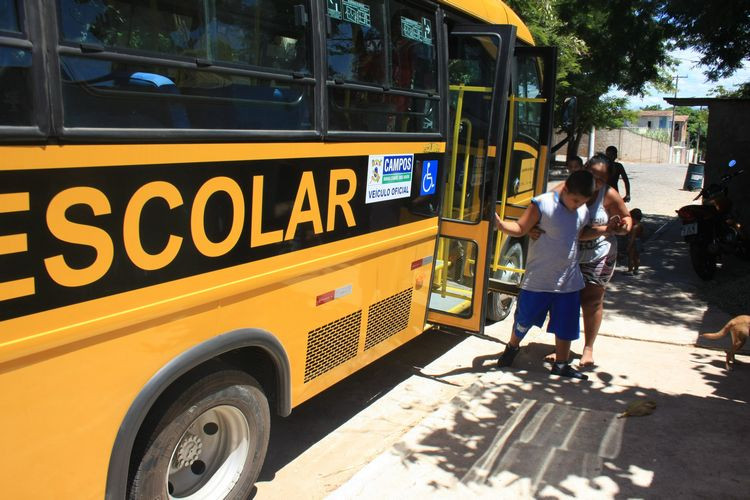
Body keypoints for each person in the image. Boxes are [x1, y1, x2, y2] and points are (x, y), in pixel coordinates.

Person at [493, 170, 600, 380]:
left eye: (582, 202)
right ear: (565, 189)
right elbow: (521, 227)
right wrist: (502, 225)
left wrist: (605, 230)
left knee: (566, 326)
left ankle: (561, 363)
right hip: (538, 280)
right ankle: (512, 346)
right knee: (523, 320)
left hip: (568, 281)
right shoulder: (542, 204)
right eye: (575, 200)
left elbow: (578, 234)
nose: (577, 205)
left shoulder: (582, 211)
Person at [535, 153, 632, 367]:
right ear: (583, 170)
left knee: (591, 301)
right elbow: (543, 211)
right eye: (591, 174)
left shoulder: (609, 195)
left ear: (606, 181)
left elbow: (627, 218)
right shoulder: (565, 188)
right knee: (564, 301)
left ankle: (588, 348)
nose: (595, 182)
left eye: (600, 179)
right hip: (568, 253)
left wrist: (624, 226)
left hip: (600, 254)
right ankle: (561, 347)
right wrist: (533, 227)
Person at [626, 208, 644, 275]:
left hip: (634, 243)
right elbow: (642, 234)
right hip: (639, 242)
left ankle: (630, 270)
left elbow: (632, 238)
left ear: (633, 218)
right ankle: (636, 269)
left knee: (631, 257)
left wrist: (628, 246)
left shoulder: (634, 227)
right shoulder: (641, 225)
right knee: (637, 257)